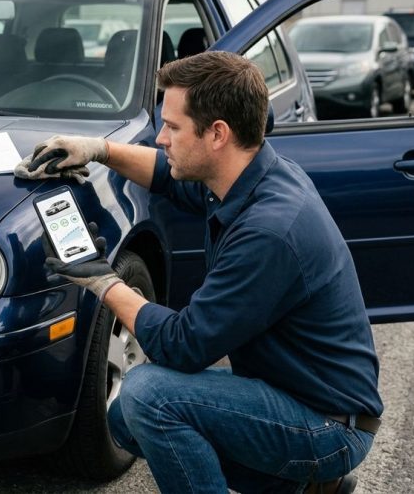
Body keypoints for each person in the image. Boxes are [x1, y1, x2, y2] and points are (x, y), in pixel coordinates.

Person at [21, 52, 382, 494]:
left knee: (148, 396)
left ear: (217, 134)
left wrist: (101, 280)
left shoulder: (271, 230)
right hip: (292, 391)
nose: (161, 139)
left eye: (172, 127)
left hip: (328, 424)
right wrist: (98, 150)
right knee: (124, 420)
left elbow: (183, 346)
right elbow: (166, 176)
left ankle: (312, 471)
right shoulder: (251, 174)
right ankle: (302, 486)